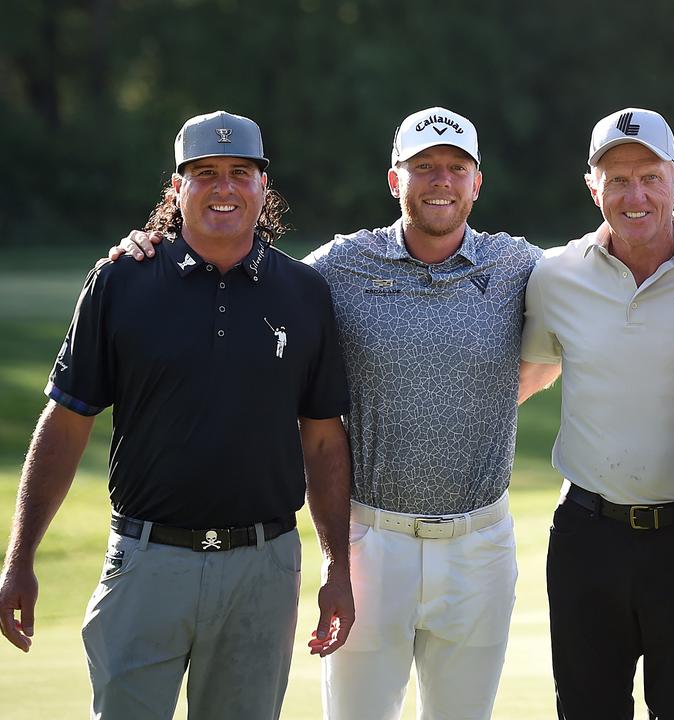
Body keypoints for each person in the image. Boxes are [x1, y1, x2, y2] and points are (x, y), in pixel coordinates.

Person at [111, 107, 544, 720]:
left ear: (478, 181)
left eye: (455, 167)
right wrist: (152, 246)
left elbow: (582, 297)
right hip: (372, 541)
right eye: (423, 167)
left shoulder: (519, 265)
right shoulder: (339, 266)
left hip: (481, 544)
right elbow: (247, 273)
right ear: (395, 181)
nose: (440, 180)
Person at [0, 110, 355, 719]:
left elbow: (323, 442)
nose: (224, 188)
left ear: (263, 187)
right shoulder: (121, 281)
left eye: (240, 173)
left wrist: (337, 567)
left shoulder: (302, 292)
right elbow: (65, 424)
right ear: (176, 188)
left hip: (262, 569)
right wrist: (20, 559)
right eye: (205, 173)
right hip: (146, 562)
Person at [520, 108, 674, 720]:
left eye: (649, 175)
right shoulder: (556, 276)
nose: (634, 194)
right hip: (588, 535)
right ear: (594, 188)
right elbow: (529, 373)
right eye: (617, 179)